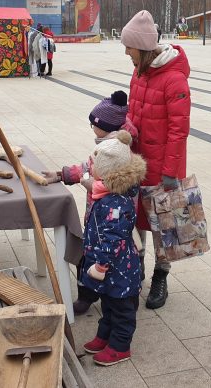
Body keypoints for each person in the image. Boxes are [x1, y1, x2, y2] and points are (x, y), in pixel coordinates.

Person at [42, 91, 137, 315]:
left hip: (109, 219)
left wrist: (89, 183)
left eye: (93, 124)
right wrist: (61, 174)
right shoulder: (107, 144)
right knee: (91, 255)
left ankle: (116, 301)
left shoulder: (115, 151)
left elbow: (97, 179)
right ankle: (89, 295)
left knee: (108, 256)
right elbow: (87, 169)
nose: (91, 128)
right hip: (96, 217)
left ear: (104, 125)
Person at [121, 10, 191, 310]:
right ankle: (135, 271)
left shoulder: (174, 80)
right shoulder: (139, 73)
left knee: (164, 225)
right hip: (136, 162)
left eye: (129, 47)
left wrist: (171, 172)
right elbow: (132, 113)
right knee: (136, 220)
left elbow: (179, 130)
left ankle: (161, 275)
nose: (126, 52)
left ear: (144, 47)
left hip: (163, 168)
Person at [81, 130, 146, 366]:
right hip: (111, 269)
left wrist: (100, 264)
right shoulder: (106, 193)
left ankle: (120, 346)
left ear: (108, 172)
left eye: (94, 166)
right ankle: (104, 336)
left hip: (118, 269)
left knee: (121, 310)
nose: (91, 169)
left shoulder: (116, 204)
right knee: (108, 303)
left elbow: (113, 240)